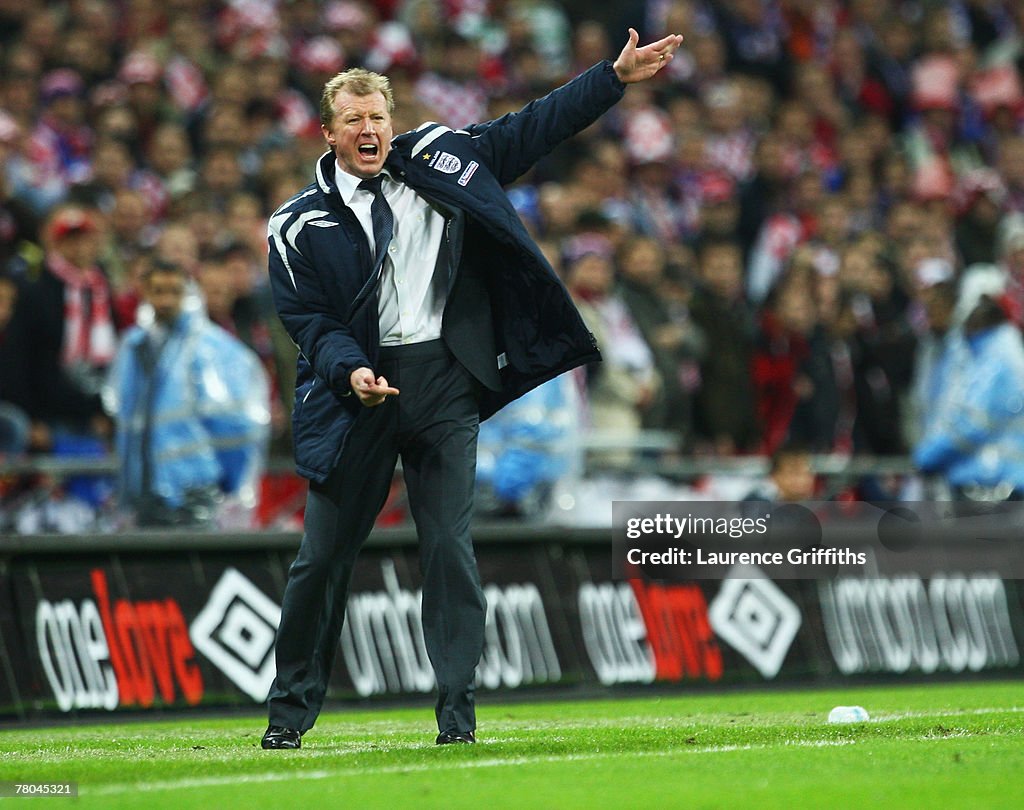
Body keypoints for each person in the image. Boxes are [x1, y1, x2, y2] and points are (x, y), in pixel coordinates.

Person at [262, 28, 684, 749]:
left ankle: (457, 719)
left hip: (442, 381)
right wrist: (349, 371)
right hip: (353, 392)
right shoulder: (295, 223)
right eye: (354, 120)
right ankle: (288, 717)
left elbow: (532, 128)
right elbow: (310, 320)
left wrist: (610, 79)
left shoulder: (441, 158)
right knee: (322, 560)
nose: (369, 130)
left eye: (378, 117)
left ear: (393, 122)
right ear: (328, 132)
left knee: (449, 550)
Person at [103, 260, 269, 527]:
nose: (166, 300)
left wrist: (228, 484)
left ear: (189, 293)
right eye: (158, 291)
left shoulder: (210, 348)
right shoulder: (134, 347)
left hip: (196, 490)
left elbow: (237, 424)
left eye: (174, 291)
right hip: (143, 489)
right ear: (145, 293)